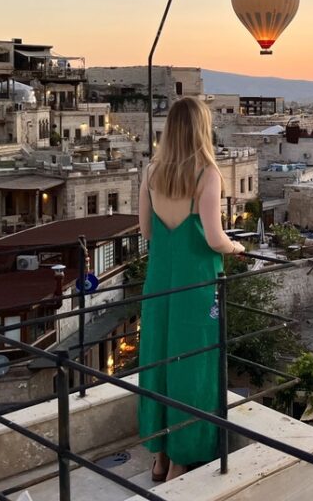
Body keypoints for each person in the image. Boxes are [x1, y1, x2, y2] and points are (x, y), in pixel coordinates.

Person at [137, 97, 245, 482]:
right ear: (202, 128)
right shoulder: (207, 174)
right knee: (193, 366)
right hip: (195, 284)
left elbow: (146, 232)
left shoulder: (150, 171)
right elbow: (215, 237)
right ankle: (182, 460)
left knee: (159, 363)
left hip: (158, 283)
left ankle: (160, 456)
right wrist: (236, 247)